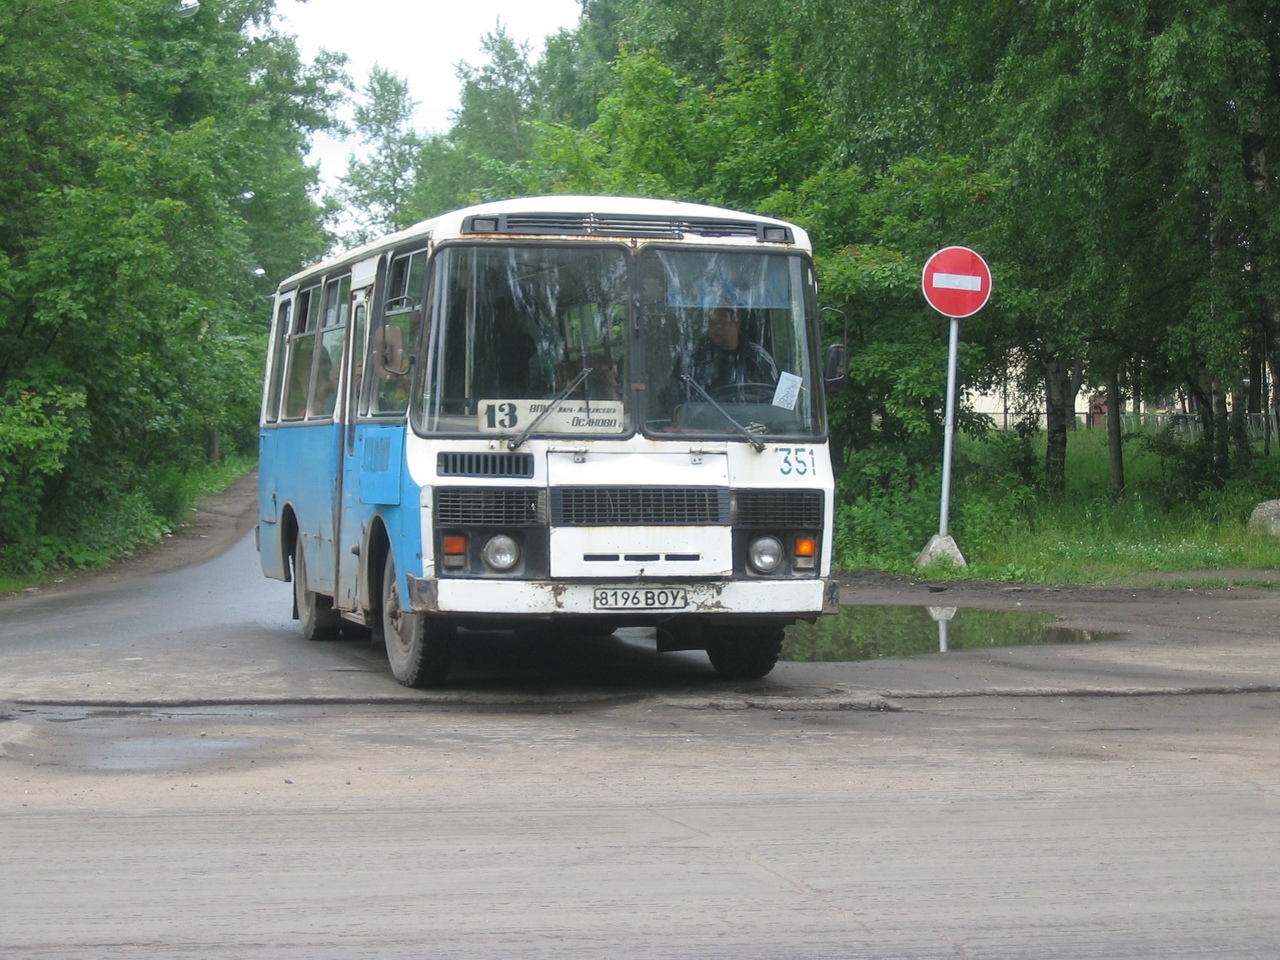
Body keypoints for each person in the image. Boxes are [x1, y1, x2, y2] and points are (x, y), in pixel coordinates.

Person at [680, 305, 778, 399]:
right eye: (711, 323)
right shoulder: (695, 358)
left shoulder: (759, 357)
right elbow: (683, 402)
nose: (716, 328)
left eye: (721, 322)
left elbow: (776, 400)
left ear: (737, 322)